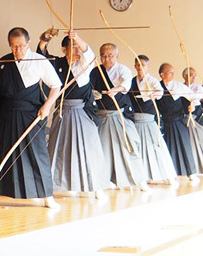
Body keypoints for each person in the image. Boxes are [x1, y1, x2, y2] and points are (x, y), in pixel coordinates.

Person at [0, 27, 62, 210]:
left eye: (20, 46)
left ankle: (47, 195)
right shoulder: (4, 62)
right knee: (1, 154)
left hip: (30, 116)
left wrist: (47, 106)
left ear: (28, 43)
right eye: (13, 46)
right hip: (7, 115)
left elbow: (56, 86)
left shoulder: (39, 60)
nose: (17, 50)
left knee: (37, 155)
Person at [38, 30, 110, 199]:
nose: (78, 51)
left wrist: (76, 38)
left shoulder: (84, 65)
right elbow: (42, 58)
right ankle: (62, 184)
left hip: (82, 112)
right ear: (64, 49)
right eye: (73, 47)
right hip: (62, 112)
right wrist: (43, 41)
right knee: (60, 148)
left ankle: (95, 186)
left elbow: (89, 52)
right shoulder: (58, 64)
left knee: (89, 148)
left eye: (78, 48)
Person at [90, 43, 148, 191]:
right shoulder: (96, 71)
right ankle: (104, 181)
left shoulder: (123, 70)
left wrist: (117, 89)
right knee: (103, 150)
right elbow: (90, 87)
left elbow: (126, 83)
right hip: (102, 116)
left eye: (110, 55)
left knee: (129, 146)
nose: (106, 58)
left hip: (119, 115)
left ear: (117, 56)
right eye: (103, 55)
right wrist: (93, 94)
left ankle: (140, 180)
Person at [130, 56, 177, 186]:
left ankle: (166, 175)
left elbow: (159, 91)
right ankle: (142, 176)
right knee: (138, 149)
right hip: (136, 120)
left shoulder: (152, 80)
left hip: (149, 120)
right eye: (138, 65)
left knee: (155, 147)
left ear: (147, 67)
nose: (140, 68)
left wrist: (154, 94)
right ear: (135, 66)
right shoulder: (132, 81)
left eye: (143, 65)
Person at [157, 63, 197, 178]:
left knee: (184, 145)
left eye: (173, 72)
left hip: (178, 120)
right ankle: (172, 172)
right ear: (162, 74)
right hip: (165, 122)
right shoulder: (157, 87)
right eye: (170, 72)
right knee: (169, 148)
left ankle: (191, 172)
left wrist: (192, 105)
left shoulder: (178, 86)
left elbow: (193, 97)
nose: (173, 74)